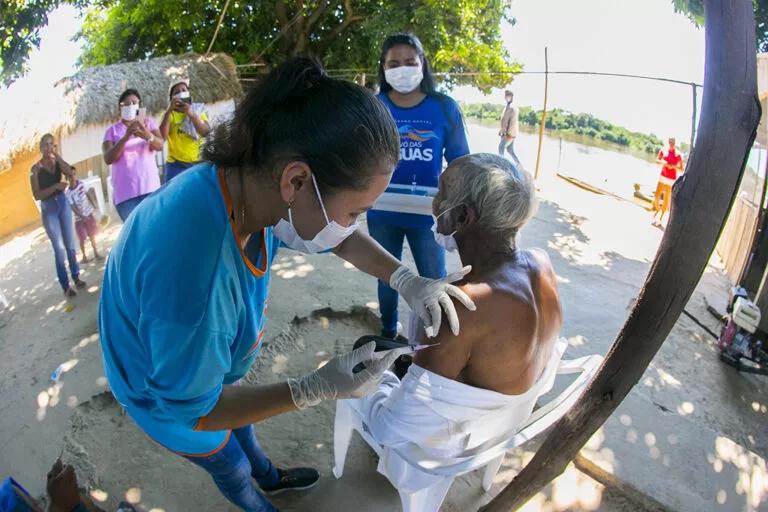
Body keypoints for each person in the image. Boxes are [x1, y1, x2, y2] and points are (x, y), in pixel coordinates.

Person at [98, 57, 475, 512]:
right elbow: (198, 409)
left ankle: (268, 475)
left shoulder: (248, 184)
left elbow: (337, 236)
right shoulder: (197, 283)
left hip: (203, 366)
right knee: (228, 464)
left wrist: (406, 279)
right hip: (164, 393)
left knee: (244, 424)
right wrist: (311, 389)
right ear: (296, 180)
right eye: (355, 211)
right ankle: (257, 496)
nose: (354, 225)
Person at [350, 153, 564, 493]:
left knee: (363, 351)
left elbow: (393, 427)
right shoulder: (541, 262)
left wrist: (378, 386)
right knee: (389, 351)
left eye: (440, 191)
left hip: (456, 440)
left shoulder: (462, 309)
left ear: (462, 215)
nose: (434, 202)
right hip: (503, 419)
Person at [367, 33, 470, 339]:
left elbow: (460, 163)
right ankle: (388, 332)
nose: (402, 69)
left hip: (429, 217)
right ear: (383, 68)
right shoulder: (374, 106)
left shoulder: (444, 107)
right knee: (387, 278)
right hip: (380, 214)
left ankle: (432, 340)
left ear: (423, 64)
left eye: (410, 62)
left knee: (433, 280)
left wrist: (456, 209)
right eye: (393, 63)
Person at [29, 134, 86, 298]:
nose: (48, 148)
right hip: (49, 208)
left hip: (63, 203)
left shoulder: (56, 163)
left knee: (70, 244)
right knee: (59, 249)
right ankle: (65, 286)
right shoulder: (36, 169)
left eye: (51, 145)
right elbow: (37, 195)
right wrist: (56, 186)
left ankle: (76, 276)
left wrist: (58, 155)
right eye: (45, 145)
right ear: (40, 148)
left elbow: (70, 172)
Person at [102, 89, 164, 221]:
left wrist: (146, 134)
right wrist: (125, 138)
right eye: (127, 103)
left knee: (155, 227)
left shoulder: (148, 123)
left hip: (150, 188)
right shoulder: (112, 131)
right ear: (120, 107)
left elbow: (160, 145)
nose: (131, 106)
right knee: (136, 234)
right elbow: (108, 158)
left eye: (135, 103)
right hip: (125, 195)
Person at [159, 78, 211, 182]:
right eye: (177, 92)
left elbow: (205, 132)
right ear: (172, 98)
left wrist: (191, 114)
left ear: (189, 92)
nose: (181, 93)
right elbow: (162, 137)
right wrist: (169, 111)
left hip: (198, 162)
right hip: (176, 165)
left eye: (184, 90)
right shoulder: (168, 115)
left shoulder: (198, 109)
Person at [64, 167, 103, 263]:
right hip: (79, 219)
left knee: (92, 235)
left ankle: (96, 252)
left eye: (73, 174)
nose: (72, 177)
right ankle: (84, 256)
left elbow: (88, 194)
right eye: (69, 176)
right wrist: (82, 216)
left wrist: (93, 204)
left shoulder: (81, 184)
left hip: (88, 213)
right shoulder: (68, 193)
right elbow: (72, 207)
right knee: (81, 238)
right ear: (67, 178)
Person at [652, 137, 684, 225]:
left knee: (666, 198)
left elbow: (681, 168)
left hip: (671, 179)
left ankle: (660, 218)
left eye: (672, 142)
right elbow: (657, 161)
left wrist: (673, 166)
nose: (671, 144)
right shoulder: (664, 150)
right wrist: (665, 163)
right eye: (670, 142)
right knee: (656, 196)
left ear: (675, 143)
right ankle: (657, 210)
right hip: (663, 176)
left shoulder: (678, 154)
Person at [498, 90, 521, 167]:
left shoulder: (513, 108)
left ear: (512, 97)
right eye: (506, 95)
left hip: (509, 134)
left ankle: (501, 166)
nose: (507, 97)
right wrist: (501, 130)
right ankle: (519, 165)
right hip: (505, 133)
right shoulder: (506, 107)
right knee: (510, 150)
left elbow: (513, 123)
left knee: (501, 148)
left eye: (509, 96)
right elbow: (504, 121)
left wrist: (510, 134)